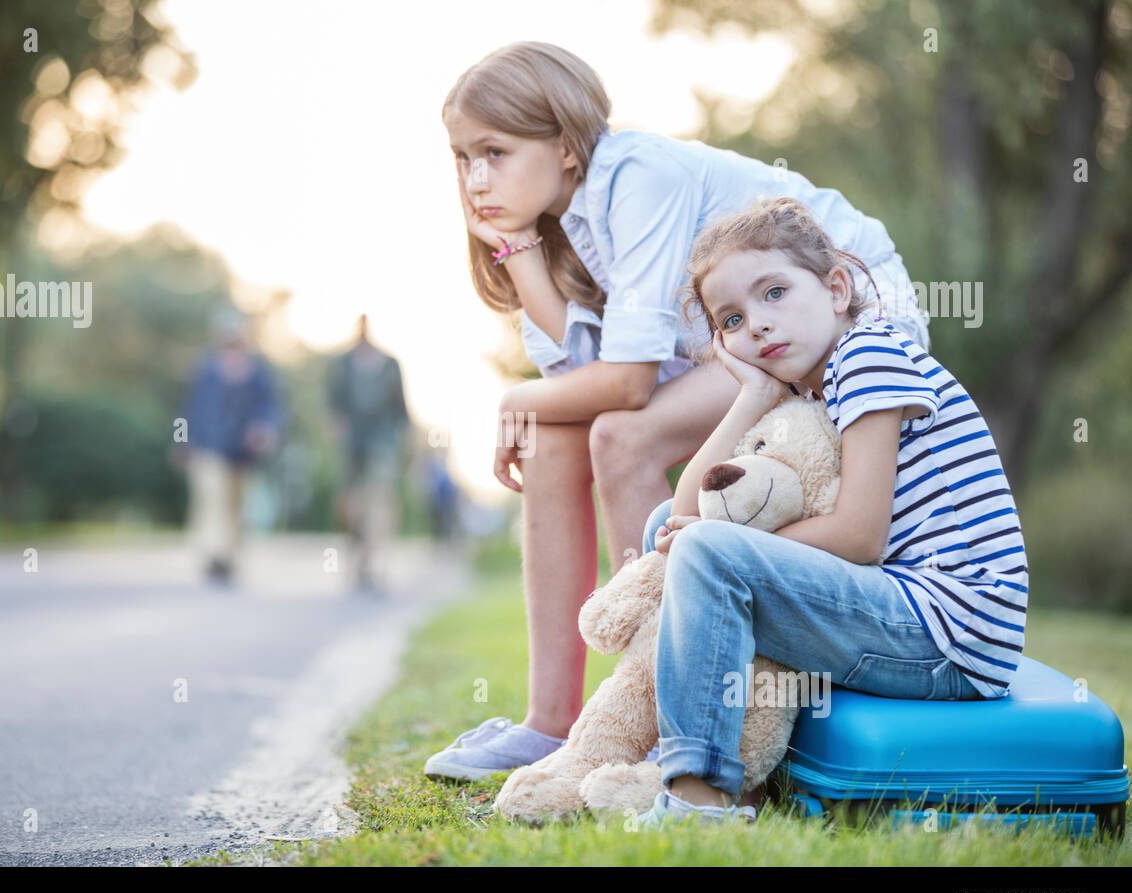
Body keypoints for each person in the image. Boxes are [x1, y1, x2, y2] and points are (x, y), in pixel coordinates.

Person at [423, 40, 934, 781]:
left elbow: (625, 387)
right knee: (555, 439)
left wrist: (511, 396)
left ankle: (670, 715)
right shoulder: (555, 228)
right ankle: (550, 723)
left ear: (564, 147)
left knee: (624, 438)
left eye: (495, 152)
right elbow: (579, 379)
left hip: (835, 316)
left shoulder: (635, 175)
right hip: (739, 345)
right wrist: (522, 256)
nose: (475, 179)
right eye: (462, 158)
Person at [632, 196, 1026, 828]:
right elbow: (685, 513)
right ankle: (700, 758)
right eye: (731, 318)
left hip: (952, 631)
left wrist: (717, 542)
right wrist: (752, 393)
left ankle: (699, 795)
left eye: (775, 292)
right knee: (669, 529)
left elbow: (860, 534)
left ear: (837, 287)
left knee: (706, 548)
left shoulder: (868, 355)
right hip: (898, 608)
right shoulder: (804, 390)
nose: (757, 325)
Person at [179, 307, 286, 584]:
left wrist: (264, 429)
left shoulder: (257, 373)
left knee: (235, 507)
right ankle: (214, 554)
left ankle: (229, 556)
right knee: (211, 500)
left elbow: (270, 408)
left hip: (241, 451)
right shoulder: (207, 370)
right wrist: (181, 441)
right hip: (207, 447)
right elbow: (190, 409)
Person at [326, 313, 410, 593]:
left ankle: (374, 562)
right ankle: (356, 558)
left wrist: (406, 442)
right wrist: (337, 424)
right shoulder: (343, 364)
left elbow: (401, 409)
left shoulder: (390, 365)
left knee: (379, 502)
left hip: (382, 443)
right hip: (352, 447)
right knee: (351, 506)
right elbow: (334, 403)